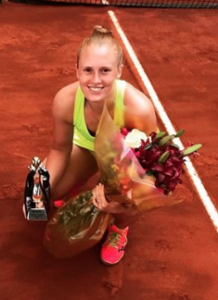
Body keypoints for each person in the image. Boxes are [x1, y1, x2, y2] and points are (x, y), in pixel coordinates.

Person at [45, 25, 158, 265]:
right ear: (76, 71)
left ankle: (119, 231)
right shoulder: (65, 100)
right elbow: (59, 149)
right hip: (86, 150)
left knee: (130, 204)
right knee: (50, 191)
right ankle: (76, 185)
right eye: (88, 70)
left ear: (119, 71)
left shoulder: (138, 108)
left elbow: (150, 177)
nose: (95, 80)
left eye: (104, 71)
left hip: (121, 166)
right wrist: (40, 187)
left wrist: (117, 197)